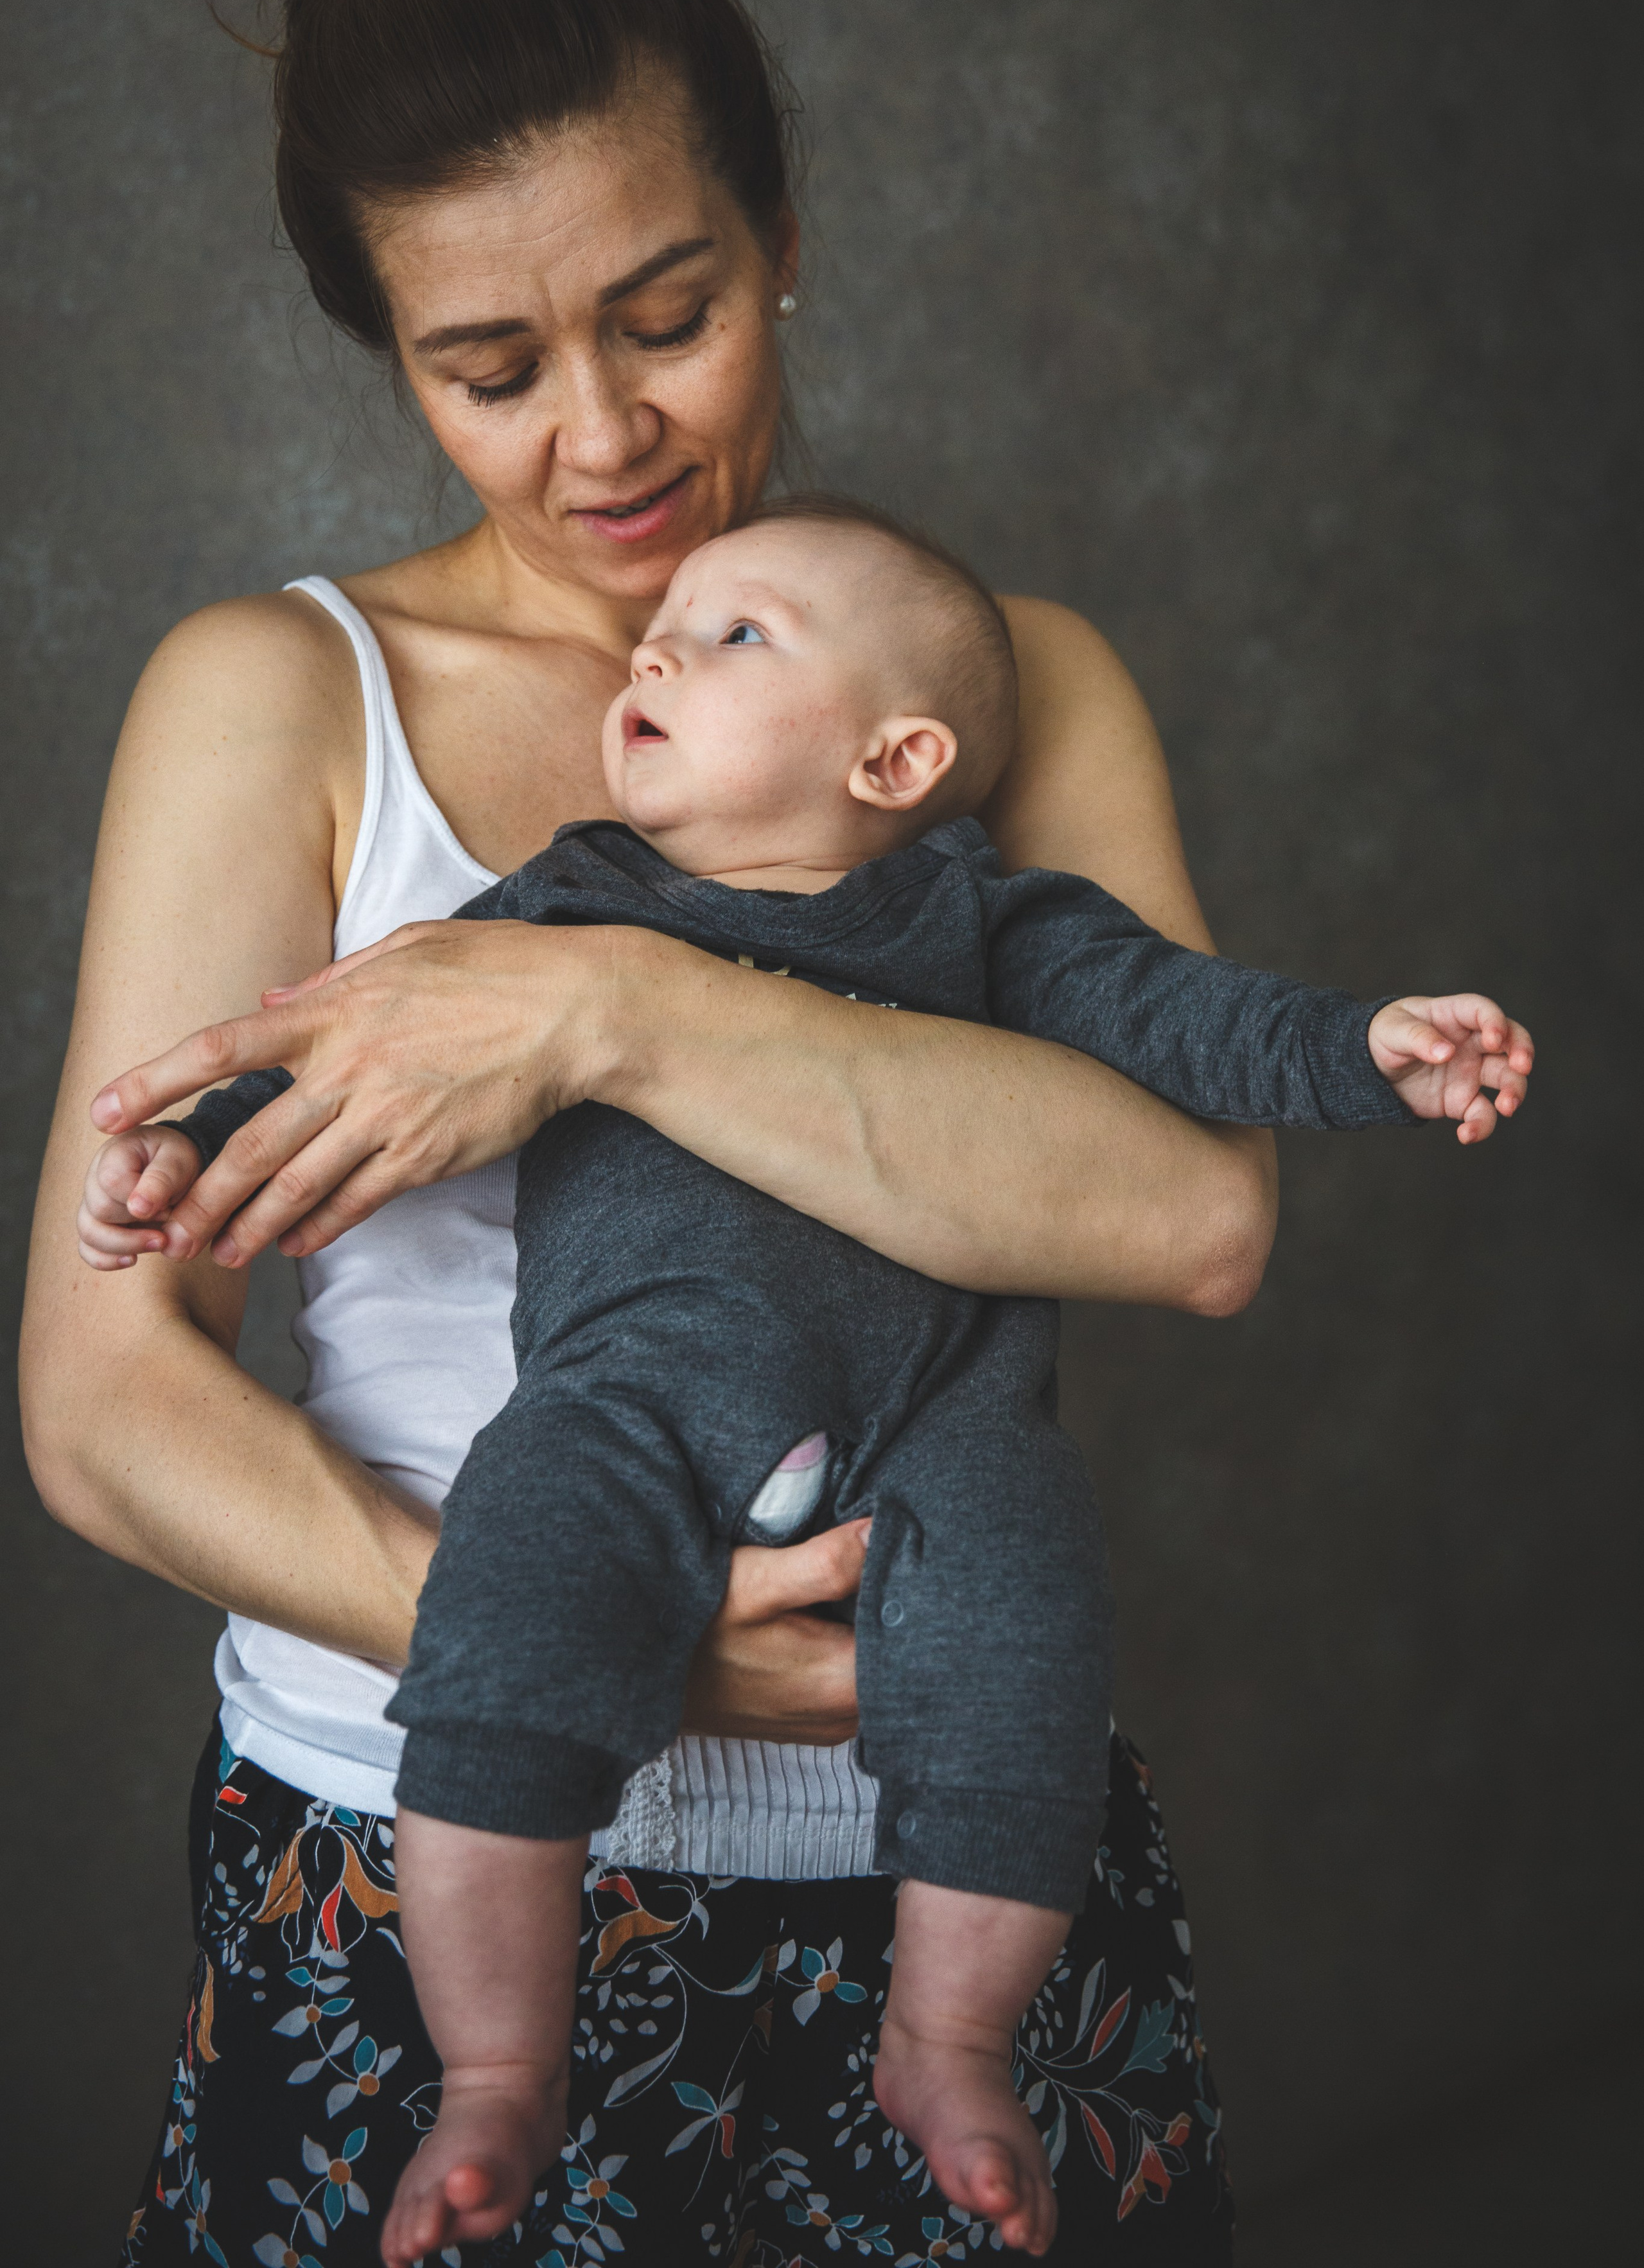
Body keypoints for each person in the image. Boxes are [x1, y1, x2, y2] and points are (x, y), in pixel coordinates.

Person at [22, 0, 1288, 2266]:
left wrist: (604, 1000)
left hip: (943, 1856)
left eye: (668, 315)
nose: (601, 434)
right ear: (392, 355)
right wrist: (607, 1639)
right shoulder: (283, 699)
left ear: (780, 234)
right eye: (489, 372)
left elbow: (1194, 1207)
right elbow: (105, 1405)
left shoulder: (1001, 687)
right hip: (408, 1835)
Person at [79, 497, 1533, 2262]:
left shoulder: (989, 919)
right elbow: (342, 1052)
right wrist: (187, 1150)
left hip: (942, 1421)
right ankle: (497, 2071)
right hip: (620, 1407)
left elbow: (1186, 1024)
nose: (659, 650)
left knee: (1024, 1615)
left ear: (894, 756)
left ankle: (951, 2038)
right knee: (508, 1615)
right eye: (666, 632)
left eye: (737, 635)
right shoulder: (561, 898)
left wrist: (1369, 1050)